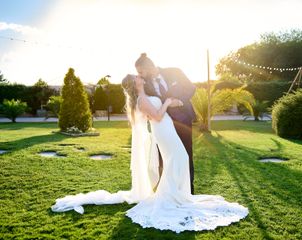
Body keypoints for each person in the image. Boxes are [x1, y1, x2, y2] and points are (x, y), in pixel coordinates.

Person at [51, 74, 249, 233]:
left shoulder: (146, 95)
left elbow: (160, 109)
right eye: (137, 77)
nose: (140, 77)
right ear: (134, 84)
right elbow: (156, 115)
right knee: (179, 158)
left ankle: (178, 194)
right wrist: (166, 104)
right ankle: (171, 196)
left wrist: (171, 102)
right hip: (162, 130)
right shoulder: (142, 99)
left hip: (166, 128)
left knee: (179, 159)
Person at [135, 53, 196, 194]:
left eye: (140, 71)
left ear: (149, 67)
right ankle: (169, 192)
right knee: (165, 158)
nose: (140, 75)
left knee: (186, 155)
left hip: (183, 121)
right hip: (164, 126)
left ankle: (188, 191)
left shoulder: (175, 71)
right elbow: (145, 103)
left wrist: (179, 100)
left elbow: (191, 88)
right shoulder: (146, 85)